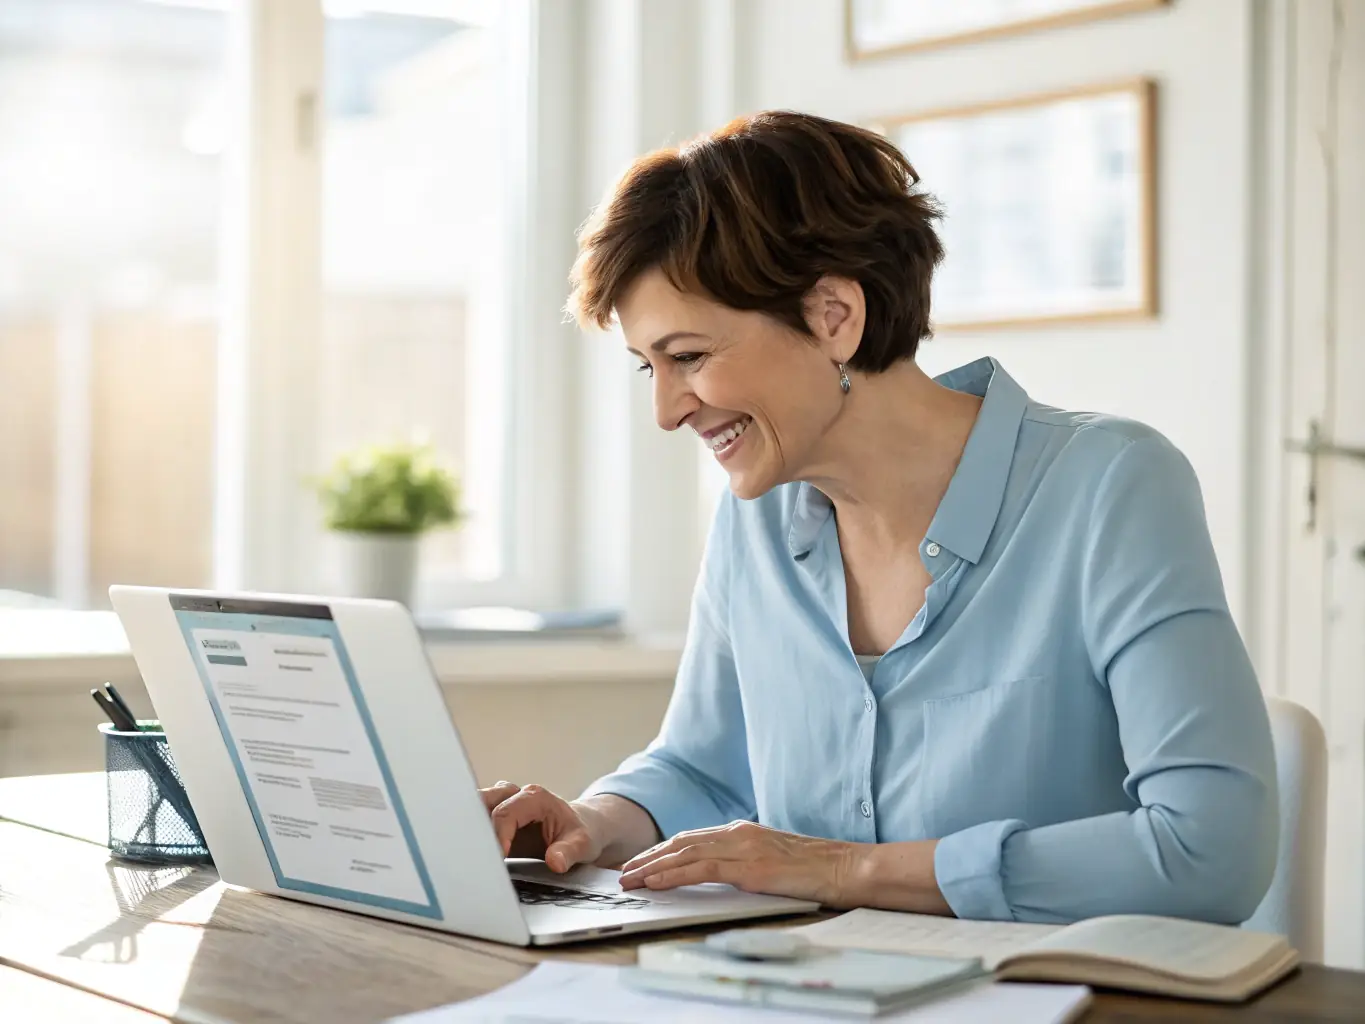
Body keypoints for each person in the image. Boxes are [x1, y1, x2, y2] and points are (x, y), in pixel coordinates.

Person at [480, 110, 1277, 924]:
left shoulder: (1109, 487)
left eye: (688, 357)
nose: (665, 409)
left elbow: (1210, 853)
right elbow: (704, 768)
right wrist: (590, 827)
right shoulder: (754, 518)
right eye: (646, 367)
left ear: (834, 317)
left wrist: (843, 870)